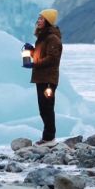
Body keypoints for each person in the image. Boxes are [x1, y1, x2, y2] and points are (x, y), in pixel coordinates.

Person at [24, 9, 62, 146]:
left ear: (48, 21)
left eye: (41, 18)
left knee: (47, 108)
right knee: (43, 108)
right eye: (38, 18)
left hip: (48, 80)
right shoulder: (43, 38)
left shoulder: (52, 38)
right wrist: (31, 51)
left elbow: (52, 58)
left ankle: (49, 138)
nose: (38, 21)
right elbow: (43, 55)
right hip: (41, 78)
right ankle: (47, 137)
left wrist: (35, 63)